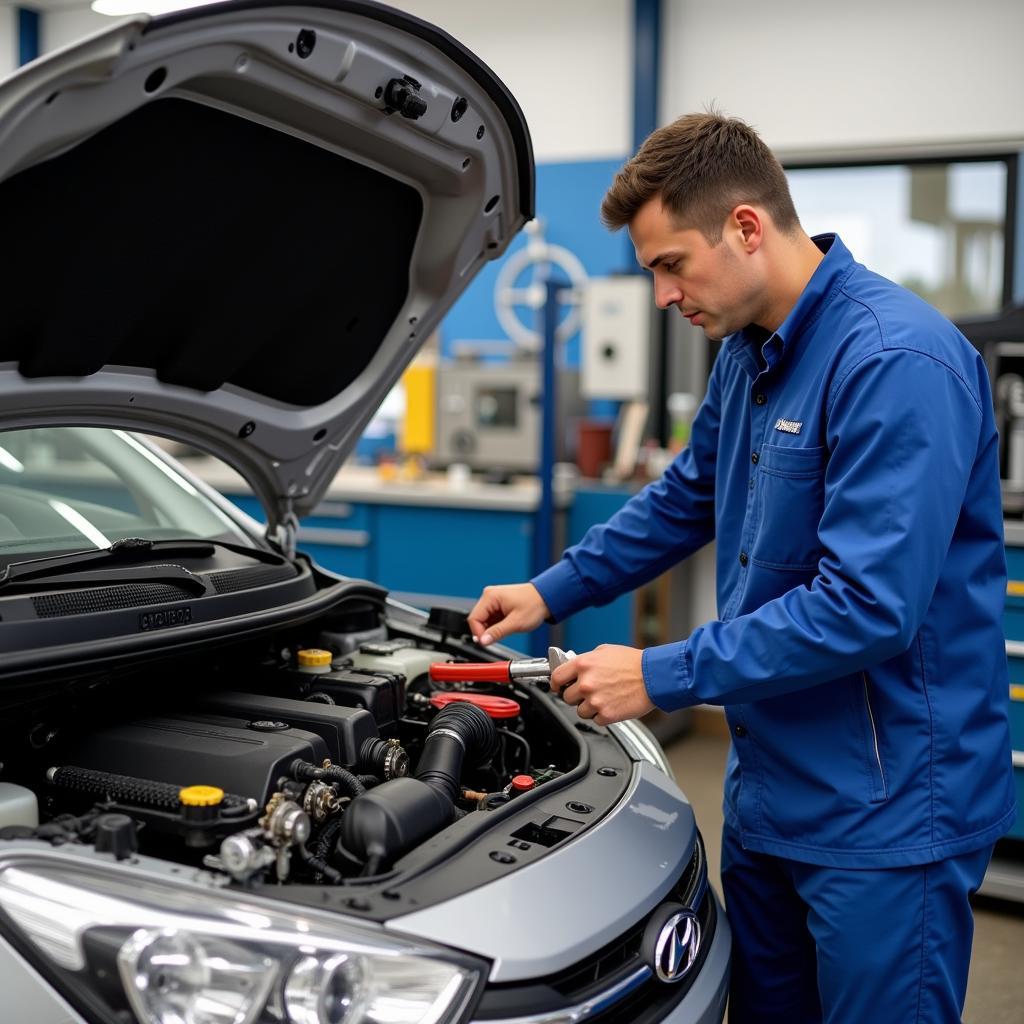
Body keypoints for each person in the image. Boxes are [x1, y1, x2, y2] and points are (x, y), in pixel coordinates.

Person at [467, 112, 1016, 1024]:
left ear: (747, 227)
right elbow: (686, 498)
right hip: (770, 793)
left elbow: (865, 608)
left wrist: (657, 673)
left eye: (670, 264)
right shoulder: (746, 357)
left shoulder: (894, 361)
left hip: (884, 813)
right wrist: (547, 589)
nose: (660, 294)